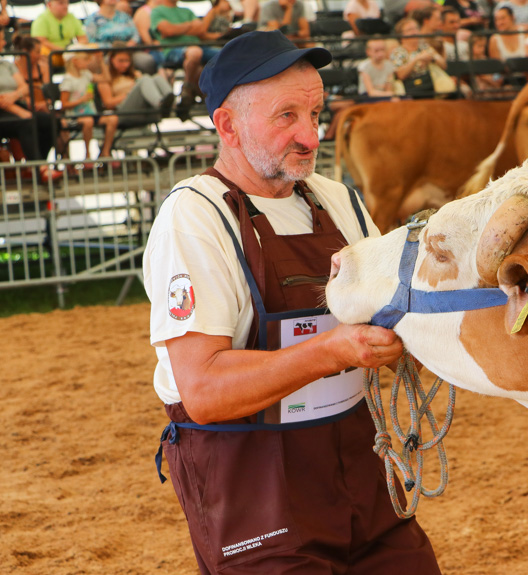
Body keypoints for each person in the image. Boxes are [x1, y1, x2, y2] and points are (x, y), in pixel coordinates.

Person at [144, 29, 441, 575]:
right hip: (253, 483)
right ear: (227, 126)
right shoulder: (195, 217)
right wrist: (332, 351)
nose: (310, 135)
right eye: (286, 116)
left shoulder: (341, 201)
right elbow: (203, 391)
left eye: (315, 113)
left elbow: (396, 320)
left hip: (358, 464)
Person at [0, 32, 59, 181]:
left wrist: (14, 96)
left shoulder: (6, 65)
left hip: (17, 105)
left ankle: (39, 162)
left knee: (51, 121)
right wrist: (19, 110)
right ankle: (41, 169)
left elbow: (24, 87)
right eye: (1, 39)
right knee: (26, 122)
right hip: (4, 112)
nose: (3, 43)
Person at [151, 0, 223, 120]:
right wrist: (189, 26)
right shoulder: (157, 11)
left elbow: (200, 30)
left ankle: (189, 92)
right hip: (173, 50)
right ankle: (190, 88)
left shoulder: (187, 11)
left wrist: (176, 29)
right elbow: (167, 30)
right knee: (195, 54)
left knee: (225, 55)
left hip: (197, 49)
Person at [59, 47, 119, 165]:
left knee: (113, 118)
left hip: (91, 112)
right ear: (75, 61)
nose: (88, 63)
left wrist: (101, 61)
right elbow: (64, 104)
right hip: (75, 116)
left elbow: (106, 78)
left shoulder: (86, 74)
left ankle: (105, 152)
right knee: (88, 121)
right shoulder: (68, 80)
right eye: (85, 60)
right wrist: (81, 100)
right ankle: (88, 154)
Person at [97, 45, 175, 126]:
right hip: (124, 112)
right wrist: (129, 93)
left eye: (127, 61)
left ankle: (170, 105)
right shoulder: (105, 79)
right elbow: (108, 104)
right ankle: (160, 104)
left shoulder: (134, 74)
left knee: (157, 78)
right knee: (144, 79)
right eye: (121, 61)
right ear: (112, 60)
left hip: (145, 110)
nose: (125, 65)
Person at [85, 0, 158, 74]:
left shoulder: (125, 17)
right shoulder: (92, 19)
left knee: (147, 61)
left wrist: (132, 42)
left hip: (129, 51)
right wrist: (114, 47)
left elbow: (136, 34)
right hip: (106, 54)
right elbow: (92, 42)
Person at [390, 16, 446, 97]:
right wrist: (416, 59)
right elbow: (400, 75)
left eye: (416, 28)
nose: (414, 32)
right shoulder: (398, 52)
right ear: (401, 35)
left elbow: (444, 65)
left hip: (430, 84)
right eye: (410, 30)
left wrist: (432, 59)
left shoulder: (425, 47)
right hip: (410, 88)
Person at [30, 0, 88, 70]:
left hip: (71, 53)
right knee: (42, 53)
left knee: (94, 49)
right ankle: (46, 79)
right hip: (52, 54)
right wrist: (62, 50)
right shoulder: (41, 19)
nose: (65, 6)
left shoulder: (72, 17)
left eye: (67, 3)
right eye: (61, 3)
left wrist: (75, 48)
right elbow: (41, 41)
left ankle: (93, 78)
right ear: (49, 5)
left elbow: (83, 38)